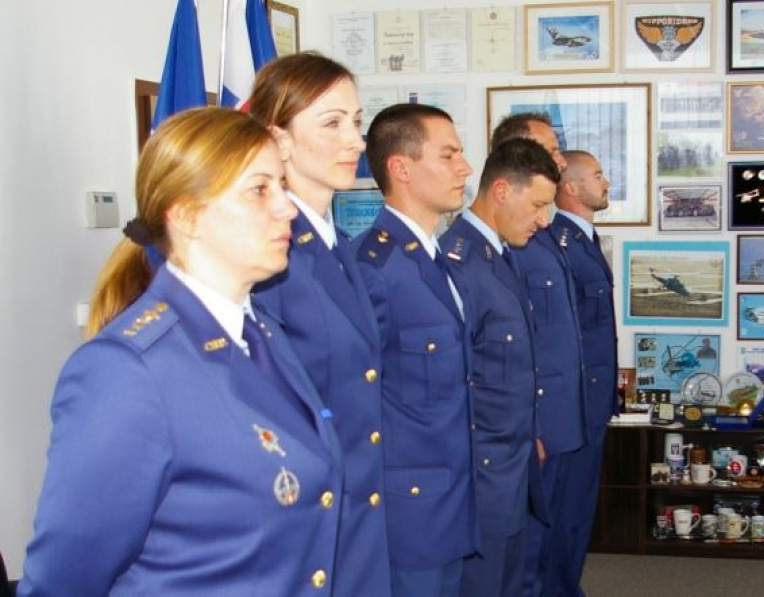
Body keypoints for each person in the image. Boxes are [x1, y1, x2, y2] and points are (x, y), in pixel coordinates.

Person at [18, 108, 344, 595]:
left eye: (282, 185)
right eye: (260, 189)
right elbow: (63, 581)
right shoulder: (127, 371)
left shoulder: (262, 334)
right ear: (188, 216)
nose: (287, 208)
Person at [249, 52, 391, 597]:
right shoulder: (270, 257)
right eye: (332, 123)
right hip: (306, 525)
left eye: (356, 121)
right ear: (279, 140)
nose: (356, 141)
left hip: (356, 516)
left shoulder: (337, 247)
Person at [354, 103, 478, 597]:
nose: (465, 167)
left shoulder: (434, 257)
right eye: (448, 155)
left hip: (450, 494)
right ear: (401, 168)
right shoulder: (374, 268)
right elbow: (354, 402)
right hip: (406, 509)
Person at [440, 138, 560, 597]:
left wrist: (530, 433)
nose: (544, 220)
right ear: (503, 191)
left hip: (512, 462)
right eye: (538, 205)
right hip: (482, 472)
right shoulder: (459, 263)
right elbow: (457, 382)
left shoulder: (499, 256)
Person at [489, 113, 588, 597]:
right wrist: (534, 424)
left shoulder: (544, 231)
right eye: (550, 150)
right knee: (527, 551)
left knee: (552, 542)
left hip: (563, 416)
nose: (560, 159)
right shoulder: (514, 241)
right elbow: (515, 349)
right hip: (540, 420)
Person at [548, 150, 619, 597]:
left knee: (578, 512)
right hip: (574, 407)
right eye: (597, 175)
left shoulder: (584, 240)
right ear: (570, 187)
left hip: (592, 403)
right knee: (567, 514)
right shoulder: (559, 245)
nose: (606, 182)